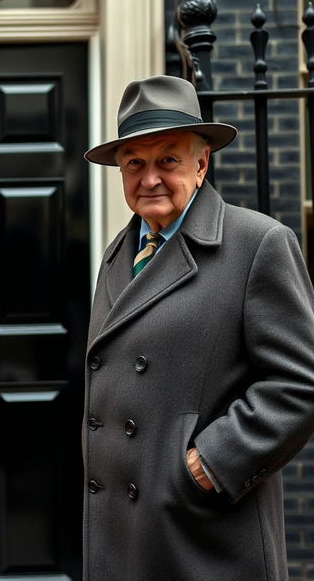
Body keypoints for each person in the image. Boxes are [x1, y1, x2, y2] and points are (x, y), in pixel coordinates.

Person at [82, 75, 314, 580]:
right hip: (125, 531)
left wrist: (209, 465)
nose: (149, 179)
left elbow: (300, 384)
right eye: (134, 164)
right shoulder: (118, 254)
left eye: (168, 160)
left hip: (203, 535)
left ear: (201, 163)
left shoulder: (258, 243)